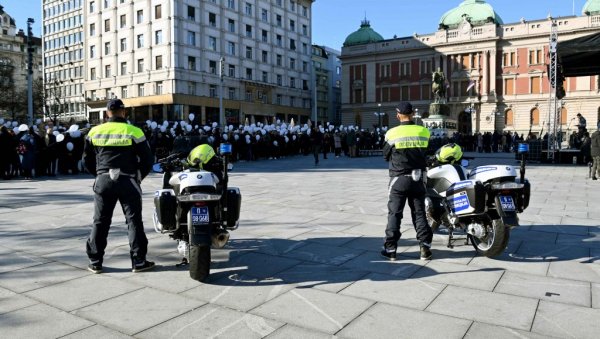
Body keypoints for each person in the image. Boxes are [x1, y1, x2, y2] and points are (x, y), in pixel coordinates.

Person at [83, 99, 155, 274]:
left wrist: (99, 175)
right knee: (133, 221)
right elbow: (148, 159)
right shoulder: (134, 131)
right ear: (123, 112)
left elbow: (86, 159)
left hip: (103, 180)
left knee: (100, 221)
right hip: (127, 179)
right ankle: (138, 262)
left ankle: (95, 261)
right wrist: (138, 177)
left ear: (107, 113)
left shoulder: (94, 131)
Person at [381, 101, 433, 261]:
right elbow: (429, 153)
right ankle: (425, 248)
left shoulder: (391, 133)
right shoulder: (424, 131)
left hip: (399, 179)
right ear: (412, 114)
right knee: (419, 213)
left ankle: (391, 249)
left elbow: (385, 155)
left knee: (395, 213)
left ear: (398, 115)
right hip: (418, 178)